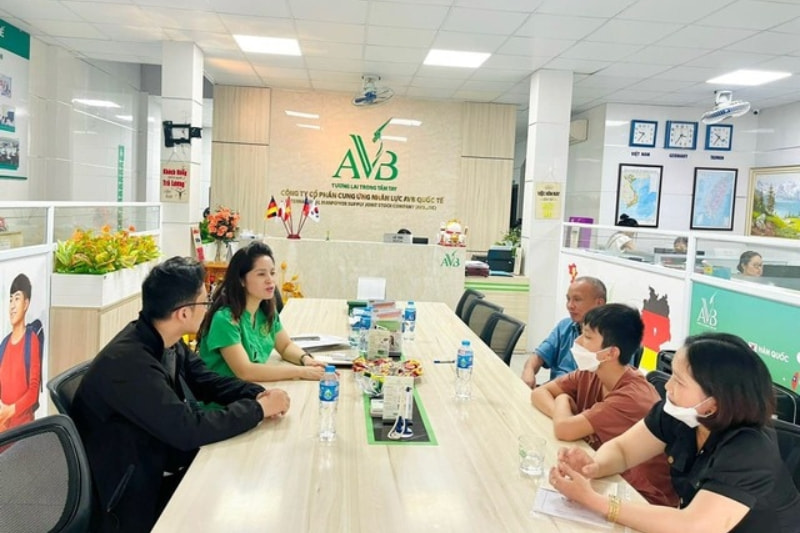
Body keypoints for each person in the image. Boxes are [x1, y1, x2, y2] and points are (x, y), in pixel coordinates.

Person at [71, 257, 290, 532]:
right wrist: (258, 410)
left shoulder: (163, 339)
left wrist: (258, 394)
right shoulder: (130, 364)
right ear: (184, 313)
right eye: (205, 301)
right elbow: (185, 429)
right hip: (125, 498)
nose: (209, 307)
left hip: (152, 464)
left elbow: (206, 381)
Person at [549, 332, 800, 533]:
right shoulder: (681, 413)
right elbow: (623, 450)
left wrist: (594, 501)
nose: (667, 386)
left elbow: (693, 526)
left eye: (679, 381)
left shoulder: (749, 450)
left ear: (714, 402)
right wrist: (595, 466)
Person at [531, 304, 677, 506]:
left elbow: (564, 429)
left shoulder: (631, 396)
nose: (578, 342)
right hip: (608, 476)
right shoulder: (592, 372)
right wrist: (562, 413)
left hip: (643, 496)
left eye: (587, 337)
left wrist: (562, 400)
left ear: (611, 353)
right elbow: (539, 393)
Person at [197, 241, 327, 382]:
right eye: (261, 274)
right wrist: (301, 372)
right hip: (224, 394)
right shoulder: (225, 319)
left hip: (252, 388)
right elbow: (245, 372)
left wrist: (306, 360)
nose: (270, 280)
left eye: (272, 273)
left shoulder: (265, 311)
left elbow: (285, 346)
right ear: (241, 280)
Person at [521, 276, 606, 388]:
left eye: (577, 299)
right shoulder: (564, 326)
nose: (570, 305)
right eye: (568, 299)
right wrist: (529, 371)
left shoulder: (612, 337)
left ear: (599, 303)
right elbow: (539, 355)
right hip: (552, 390)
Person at [0, 274, 42, 431]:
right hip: (3, 429)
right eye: (10, 300)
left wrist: (9, 411)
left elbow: (33, 392)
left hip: (23, 432)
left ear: (26, 304)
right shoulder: (4, 344)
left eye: (17, 299)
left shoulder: (31, 340)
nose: (12, 306)